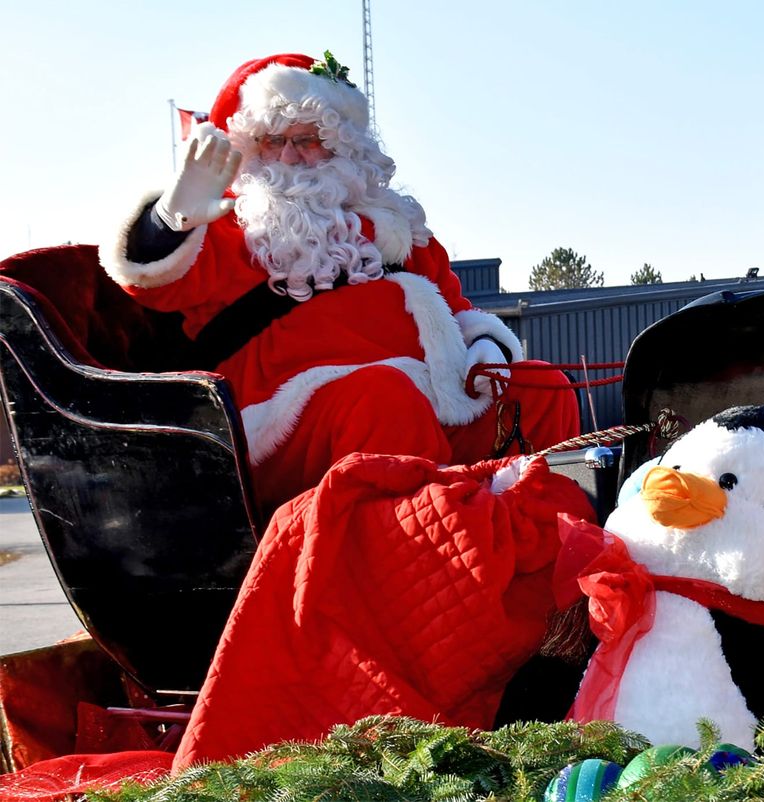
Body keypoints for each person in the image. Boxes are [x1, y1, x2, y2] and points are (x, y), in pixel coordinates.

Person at [99, 52, 580, 512]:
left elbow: (457, 309)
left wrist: (487, 347)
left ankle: (540, 539)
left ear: (343, 147)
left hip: (430, 398)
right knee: (384, 398)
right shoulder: (232, 227)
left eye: (308, 139)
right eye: (271, 141)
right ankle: (418, 549)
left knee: (541, 388)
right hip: (286, 420)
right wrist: (171, 218)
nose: (289, 155)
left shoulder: (397, 228)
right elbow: (152, 282)